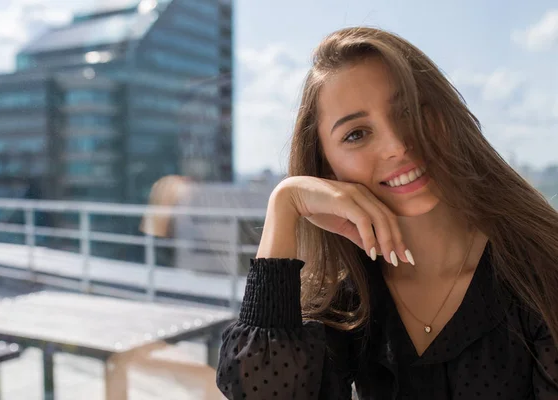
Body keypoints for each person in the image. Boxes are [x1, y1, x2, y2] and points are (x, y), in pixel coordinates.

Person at [215, 27, 558, 399]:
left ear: (446, 115)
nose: (397, 146)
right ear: (329, 171)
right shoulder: (349, 298)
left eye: (408, 112)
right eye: (357, 134)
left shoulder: (540, 269)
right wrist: (286, 202)